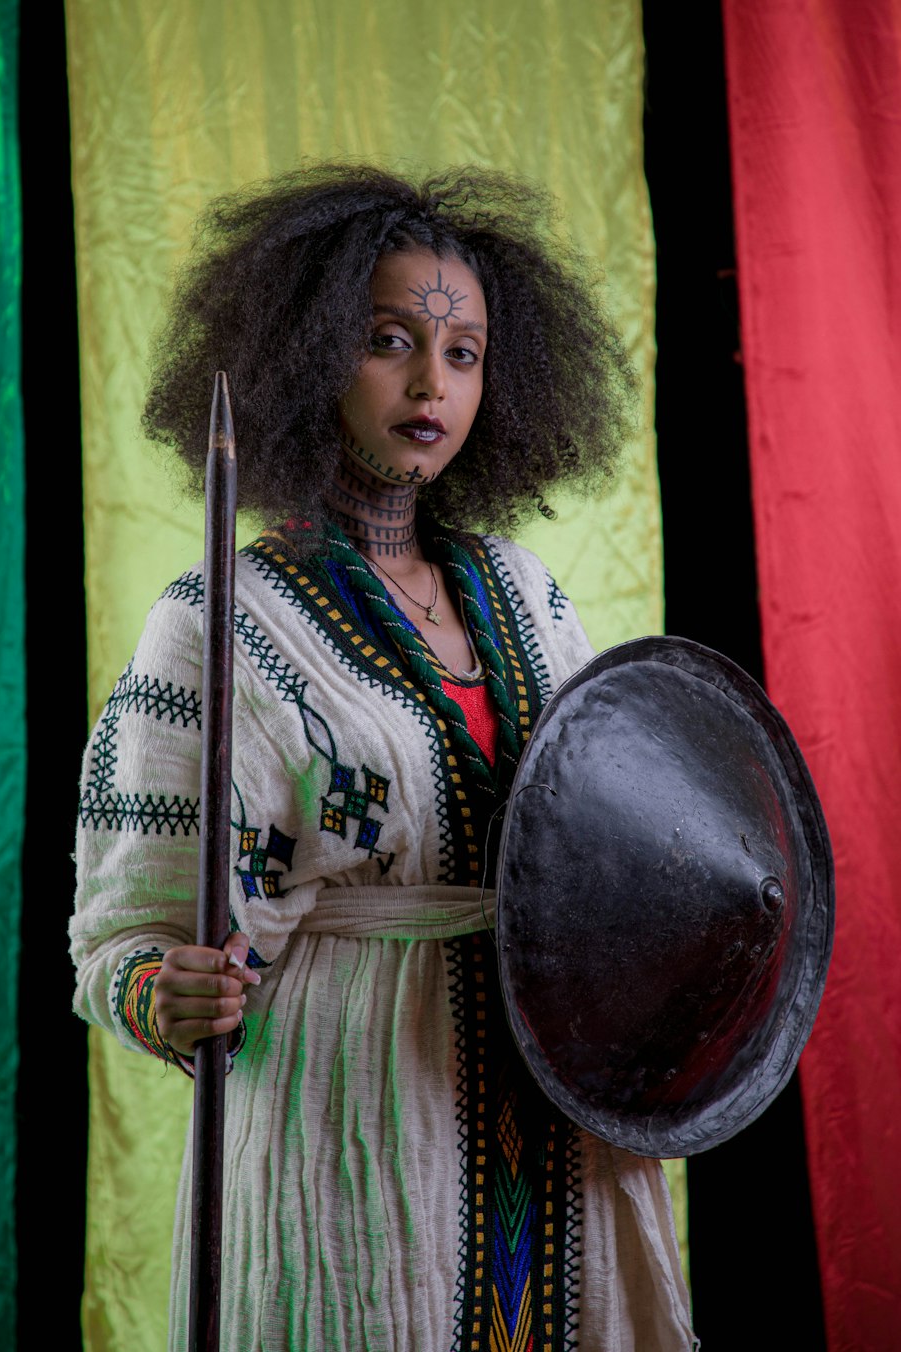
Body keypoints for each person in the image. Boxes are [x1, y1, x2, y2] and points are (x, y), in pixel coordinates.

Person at [71, 164, 696, 1351]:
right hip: (348, 1121)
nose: (430, 382)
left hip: (551, 1098)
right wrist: (167, 986)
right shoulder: (219, 618)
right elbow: (128, 925)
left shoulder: (526, 593)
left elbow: (611, 823)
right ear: (308, 357)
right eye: (388, 340)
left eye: (462, 353)